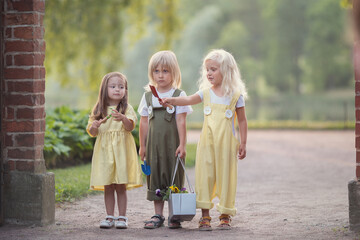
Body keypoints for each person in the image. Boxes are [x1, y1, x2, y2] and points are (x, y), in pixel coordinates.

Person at [162, 49, 248, 231]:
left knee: (226, 178)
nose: (209, 73)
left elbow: (242, 120)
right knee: (205, 177)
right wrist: (172, 100)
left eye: (213, 69)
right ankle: (205, 216)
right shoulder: (205, 93)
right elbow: (189, 100)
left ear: (227, 71)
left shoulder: (235, 95)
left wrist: (243, 143)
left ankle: (225, 215)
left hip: (226, 146)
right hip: (207, 146)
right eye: (207, 69)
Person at [138, 50, 193, 229]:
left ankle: (174, 215)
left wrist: (182, 144)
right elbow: (144, 123)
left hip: (173, 145)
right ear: (151, 73)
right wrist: (142, 146)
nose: (160, 75)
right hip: (153, 146)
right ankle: (158, 215)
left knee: (173, 175)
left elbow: (181, 120)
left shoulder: (179, 94)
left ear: (174, 72)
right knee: (155, 175)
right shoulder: (148, 96)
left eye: (165, 71)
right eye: (156, 71)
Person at [86, 72, 142, 229]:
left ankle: (122, 217)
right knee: (108, 185)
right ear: (105, 89)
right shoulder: (99, 109)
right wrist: (94, 126)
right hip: (104, 153)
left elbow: (130, 127)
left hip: (121, 152)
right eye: (113, 86)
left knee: (120, 185)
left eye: (121, 87)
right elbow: (92, 132)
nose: (117, 89)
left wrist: (123, 118)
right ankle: (109, 216)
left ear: (125, 90)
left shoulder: (126, 108)